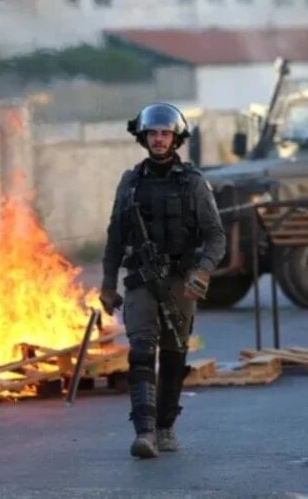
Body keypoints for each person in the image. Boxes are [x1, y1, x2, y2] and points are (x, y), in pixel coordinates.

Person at [99, 102, 226, 458]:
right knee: (141, 352)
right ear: (143, 137)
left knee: (173, 356)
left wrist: (201, 272)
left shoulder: (194, 183)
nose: (158, 139)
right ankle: (144, 433)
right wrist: (108, 284)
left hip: (180, 281)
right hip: (140, 280)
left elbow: (216, 236)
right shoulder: (130, 183)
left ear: (176, 138)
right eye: (153, 133)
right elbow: (114, 238)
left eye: (165, 133)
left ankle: (165, 427)